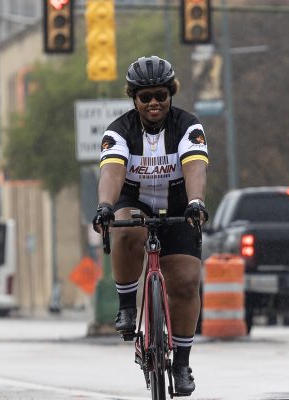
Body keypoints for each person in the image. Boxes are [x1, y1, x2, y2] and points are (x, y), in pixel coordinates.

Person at [92, 55, 208, 395]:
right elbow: (112, 172)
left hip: (178, 203)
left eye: (161, 94)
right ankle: (127, 306)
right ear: (134, 98)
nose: (154, 102)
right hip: (134, 200)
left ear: (171, 93)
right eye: (145, 96)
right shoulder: (119, 130)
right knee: (126, 227)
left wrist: (196, 202)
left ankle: (183, 364)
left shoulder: (188, 126)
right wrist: (104, 207)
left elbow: (195, 168)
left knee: (186, 283)